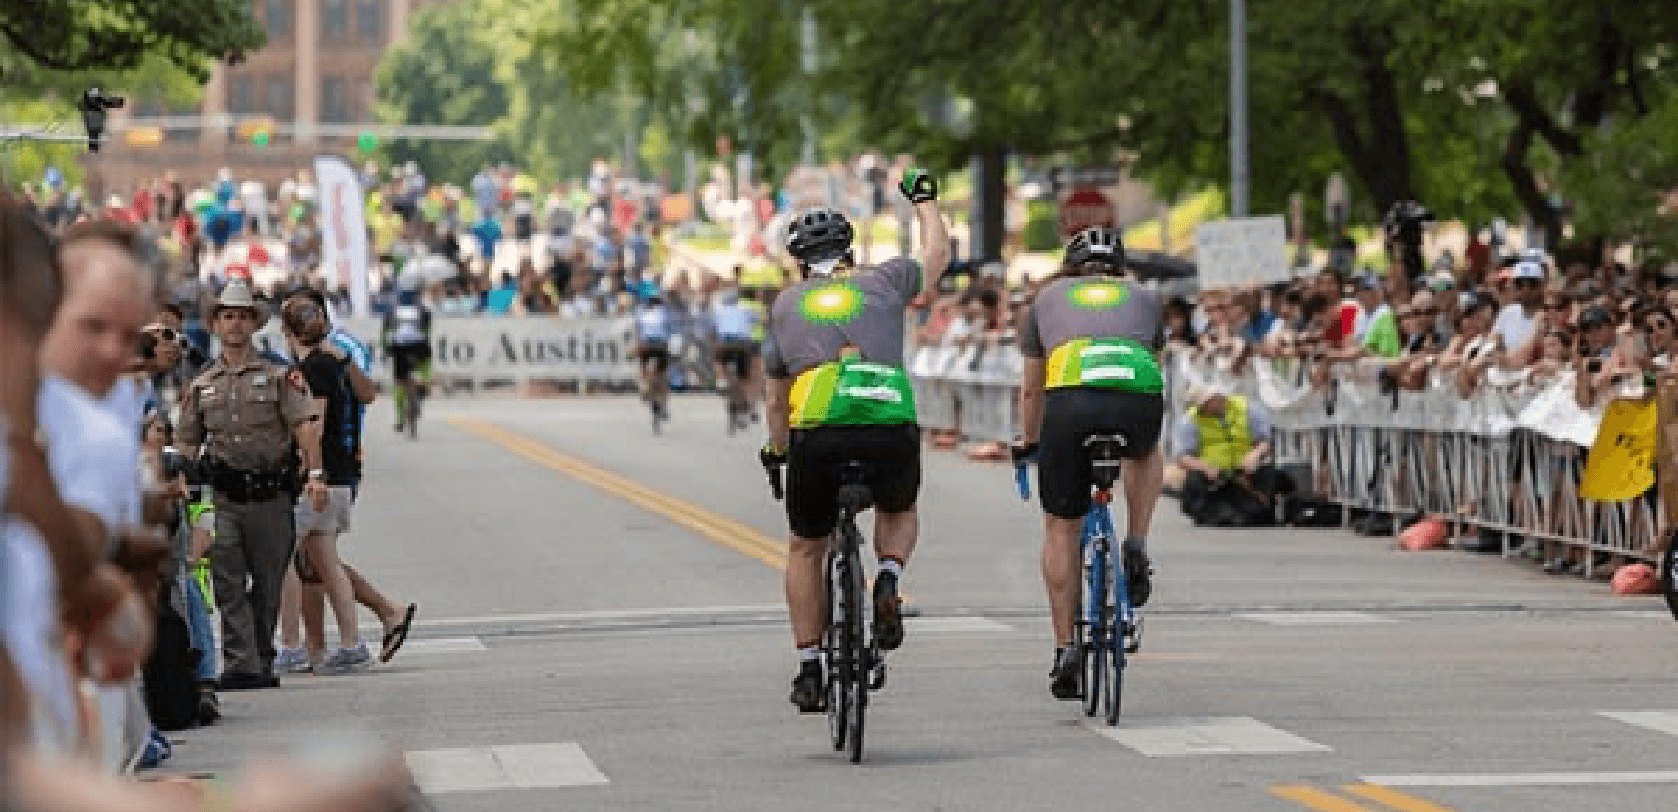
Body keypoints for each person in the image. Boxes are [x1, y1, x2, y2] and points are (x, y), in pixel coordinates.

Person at [759, 168, 950, 713]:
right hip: (887, 418)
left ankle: (810, 668)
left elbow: (776, 402)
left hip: (818, 429)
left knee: (805, 546)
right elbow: (937, 254)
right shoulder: (884, 282)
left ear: (797, 260)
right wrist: (924, 201)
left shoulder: (785, 306)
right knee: (899, 504)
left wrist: (778, 452)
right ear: (850, 250)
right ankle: (888, 578)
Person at [1008, 227, 1166, 701]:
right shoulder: (1147, 298)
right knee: (1145, 451)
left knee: (1060, 526)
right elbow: (1157, 366)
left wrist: (1029, 440)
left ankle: (1065, 650)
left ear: (1070, 266)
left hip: (1071, 402)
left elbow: (1032, 389)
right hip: (1136, 395)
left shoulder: (1044, 300)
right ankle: (1136, 541)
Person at [177, 280, 325, 690]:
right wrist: (179, 482)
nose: (235, 324)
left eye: (242, 316)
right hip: (224, 497)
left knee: (268, 582)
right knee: (226, 581)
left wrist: (315, 475)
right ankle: (241, 662)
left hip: (271, 496)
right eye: (228, 316)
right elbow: (187, 440)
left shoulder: (280, 375)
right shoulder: (201, 384)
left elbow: (304, 428)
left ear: (254, 323)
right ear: (215, 324)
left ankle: (260, 656)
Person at [276, 293, 373, 674]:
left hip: (320, 479)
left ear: (287, 331)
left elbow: (312, 423)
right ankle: (352, 643)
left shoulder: (313, 370)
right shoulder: (334, 365)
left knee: (283, 558)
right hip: (341, 476)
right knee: (326, 562)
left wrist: (305, 470)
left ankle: (291, 646)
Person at [1174, 385, 1291, 528]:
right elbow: (1182, 457)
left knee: (1270, 474)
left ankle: (1262, 507)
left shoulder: (1248, 410)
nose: (1205, 408)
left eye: (1208, 402)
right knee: (1194, 480)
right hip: (1215, 477)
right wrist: (1205, 467)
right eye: (1202, 405)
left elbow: (1265, 443)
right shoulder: (1190, 419)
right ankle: (1210, 512)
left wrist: (1254, 455)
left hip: (1244, 473)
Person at [382, 281, 432, 437]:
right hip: (420, 347)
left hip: (399, 347)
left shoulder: (392, 311)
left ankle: (399, 418)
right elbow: (427, 331)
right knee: (425, 373)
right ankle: (422, 389)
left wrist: (387, 350)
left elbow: (386, 334)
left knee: (399, 382)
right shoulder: (423, 310)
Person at [710, 288, 761, 430]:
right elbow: (759, 321)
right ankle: (745, 404)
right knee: (745, 379)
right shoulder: (745, 310)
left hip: (725, 344)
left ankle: (722, 378)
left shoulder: (718, 311)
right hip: (742, 345)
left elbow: (712, 330)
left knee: (718, 358)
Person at [634, 292, 675, 429]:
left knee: (642, 366)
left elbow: (638, 331)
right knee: (662, 375)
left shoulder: (641, 312)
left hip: (646, 345)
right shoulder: (665, 313)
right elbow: (671, 332)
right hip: (660, 346)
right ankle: (663, 404)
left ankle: (643, 386)